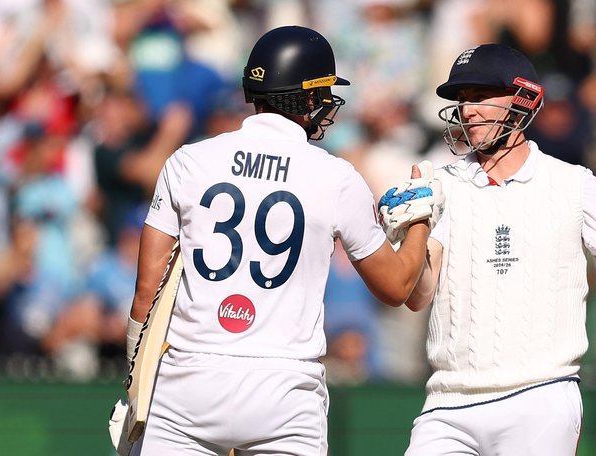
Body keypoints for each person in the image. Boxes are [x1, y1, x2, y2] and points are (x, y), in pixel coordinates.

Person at [111, 25, 442, 456]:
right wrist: (419, 219)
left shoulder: (188, 161)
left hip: (188, 382)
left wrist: (137, 384)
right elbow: (397, 287)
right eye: (322, 93)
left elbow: (145, 296)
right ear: (307, 99)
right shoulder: (336, 176)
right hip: (285, 390)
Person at [379, 43, 596, 455]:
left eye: (480, 97)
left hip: (541, 397)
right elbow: (418, 297)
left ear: (522, 100)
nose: (467, 110)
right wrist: (416, 227)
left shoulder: (575, 184)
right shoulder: (441, 183)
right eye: (462, 100)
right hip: (448, 401)